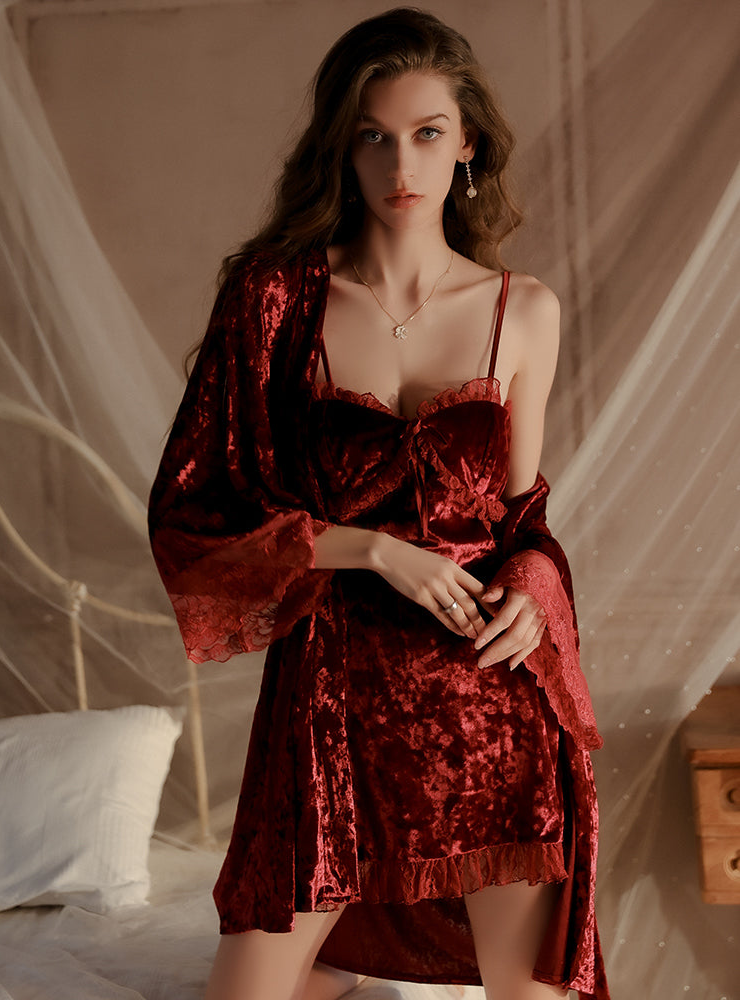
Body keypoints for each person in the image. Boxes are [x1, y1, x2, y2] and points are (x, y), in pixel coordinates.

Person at [148, 9, 609, 1000]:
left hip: (491, 704)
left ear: (468, 143)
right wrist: (368, 549)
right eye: (374, 135)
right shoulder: (273, 300)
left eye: (428, 133)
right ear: (340, 148)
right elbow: (194, 513)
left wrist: (531, 582)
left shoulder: (521, 310)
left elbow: (524, 520)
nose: (402, 161)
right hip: (331, 709)